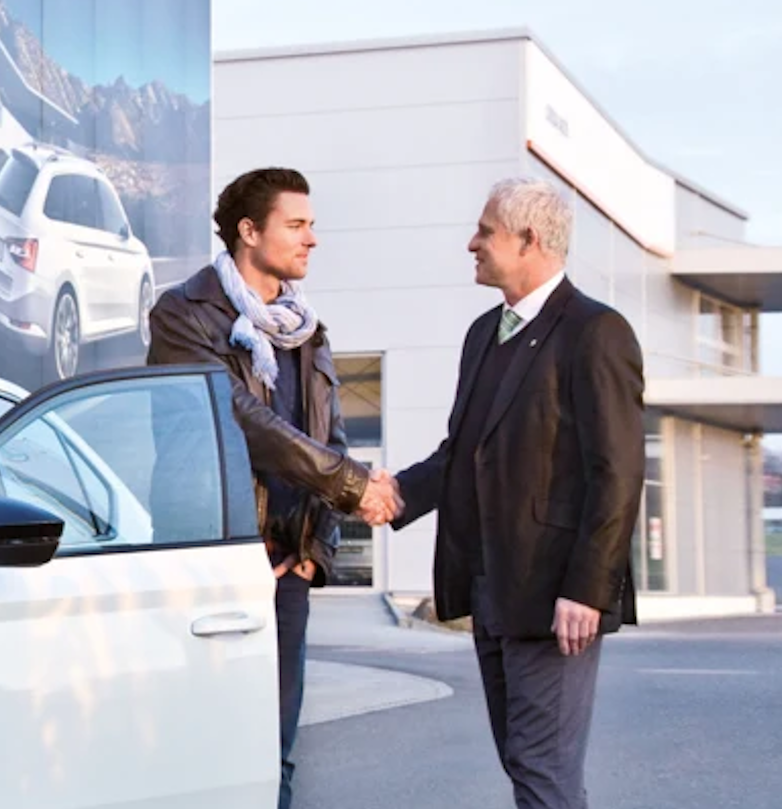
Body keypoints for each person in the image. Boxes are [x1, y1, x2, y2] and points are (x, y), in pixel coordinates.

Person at [147, 167, 401, 808]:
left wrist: (314, 553)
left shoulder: (307, 329)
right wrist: (351, 486)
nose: (312, 238)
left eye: (312, 225)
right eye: (297, 224)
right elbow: (238, 417)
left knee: (274, 755)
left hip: (285, 570)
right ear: (249, 231)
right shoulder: (182, 314)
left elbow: (332, 437)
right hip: (211, 564)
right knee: (205, 752)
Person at [390, 176, 645, 809]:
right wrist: (388, 495)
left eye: (484, 231)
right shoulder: (483, 334)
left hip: (556, 599)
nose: (470, 244)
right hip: (492, 590)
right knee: (529, 766)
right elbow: (462, 453)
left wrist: (588, 588)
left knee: (541, 772)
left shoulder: (595, 332)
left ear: (529, 240)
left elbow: (618, 472)